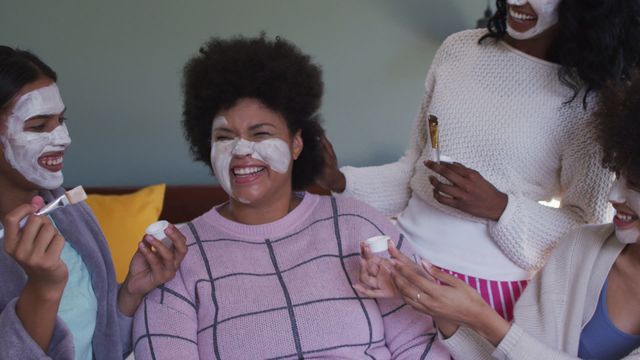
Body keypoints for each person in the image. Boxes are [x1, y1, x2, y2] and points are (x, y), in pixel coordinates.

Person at [132, 34, 449, 359]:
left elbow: (420, 344)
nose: (242, 150)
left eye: (261, 133)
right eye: (225, 137)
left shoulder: (359, 226)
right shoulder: (175, 258)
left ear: (296, 144)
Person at [318, 0, 640, 320]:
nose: (516, 1)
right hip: (397, 264)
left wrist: (500, 207)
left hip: (483, 296)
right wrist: (341, 182)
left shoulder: (589, 98)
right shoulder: (458, 49)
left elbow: (587, 226)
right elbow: (413, 170)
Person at [384, 74, 640, 359]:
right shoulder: (581, 248)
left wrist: (483, 318)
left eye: (636, 185)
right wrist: (446, 314)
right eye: (618, 175)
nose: (613, 196)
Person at [0, 46, 188, 359]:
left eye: (61, 120)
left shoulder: (70, 211)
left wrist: (130, 292)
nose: (63, 138)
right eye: (38, 126)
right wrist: (43, 289)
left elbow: (100, 338)